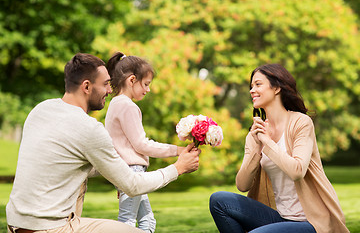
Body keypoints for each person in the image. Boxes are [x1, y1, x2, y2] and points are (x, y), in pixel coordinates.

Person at [6, 53, 200, 233]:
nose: (110, 89)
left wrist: (117, 172)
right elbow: (132, 185)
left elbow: (62, 163)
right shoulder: (89, 128)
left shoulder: (41, 110)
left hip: (16, 224)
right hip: (52, 228)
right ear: (87, 87)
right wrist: (178, 168)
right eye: (106, 84)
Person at [209, 64, 349, 233]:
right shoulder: (256, 133)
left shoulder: (300, 123)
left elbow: (297, 171)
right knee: (219, 200)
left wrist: (267, 142)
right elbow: (242, 184)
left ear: (276, 88)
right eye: (251, 86)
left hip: (311, 222)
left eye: (258, 84)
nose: (252, 90)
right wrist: (257, 148)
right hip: (280, 218)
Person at [104, 51, 185, 232]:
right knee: (128, 222)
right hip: (131, 171)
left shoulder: (115, 104)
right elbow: (142, 144)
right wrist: (177, 150)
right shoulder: (127, 106)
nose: (148, 89)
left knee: (147, 221)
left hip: (123, 170)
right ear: (131, 80)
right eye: (146, 84)